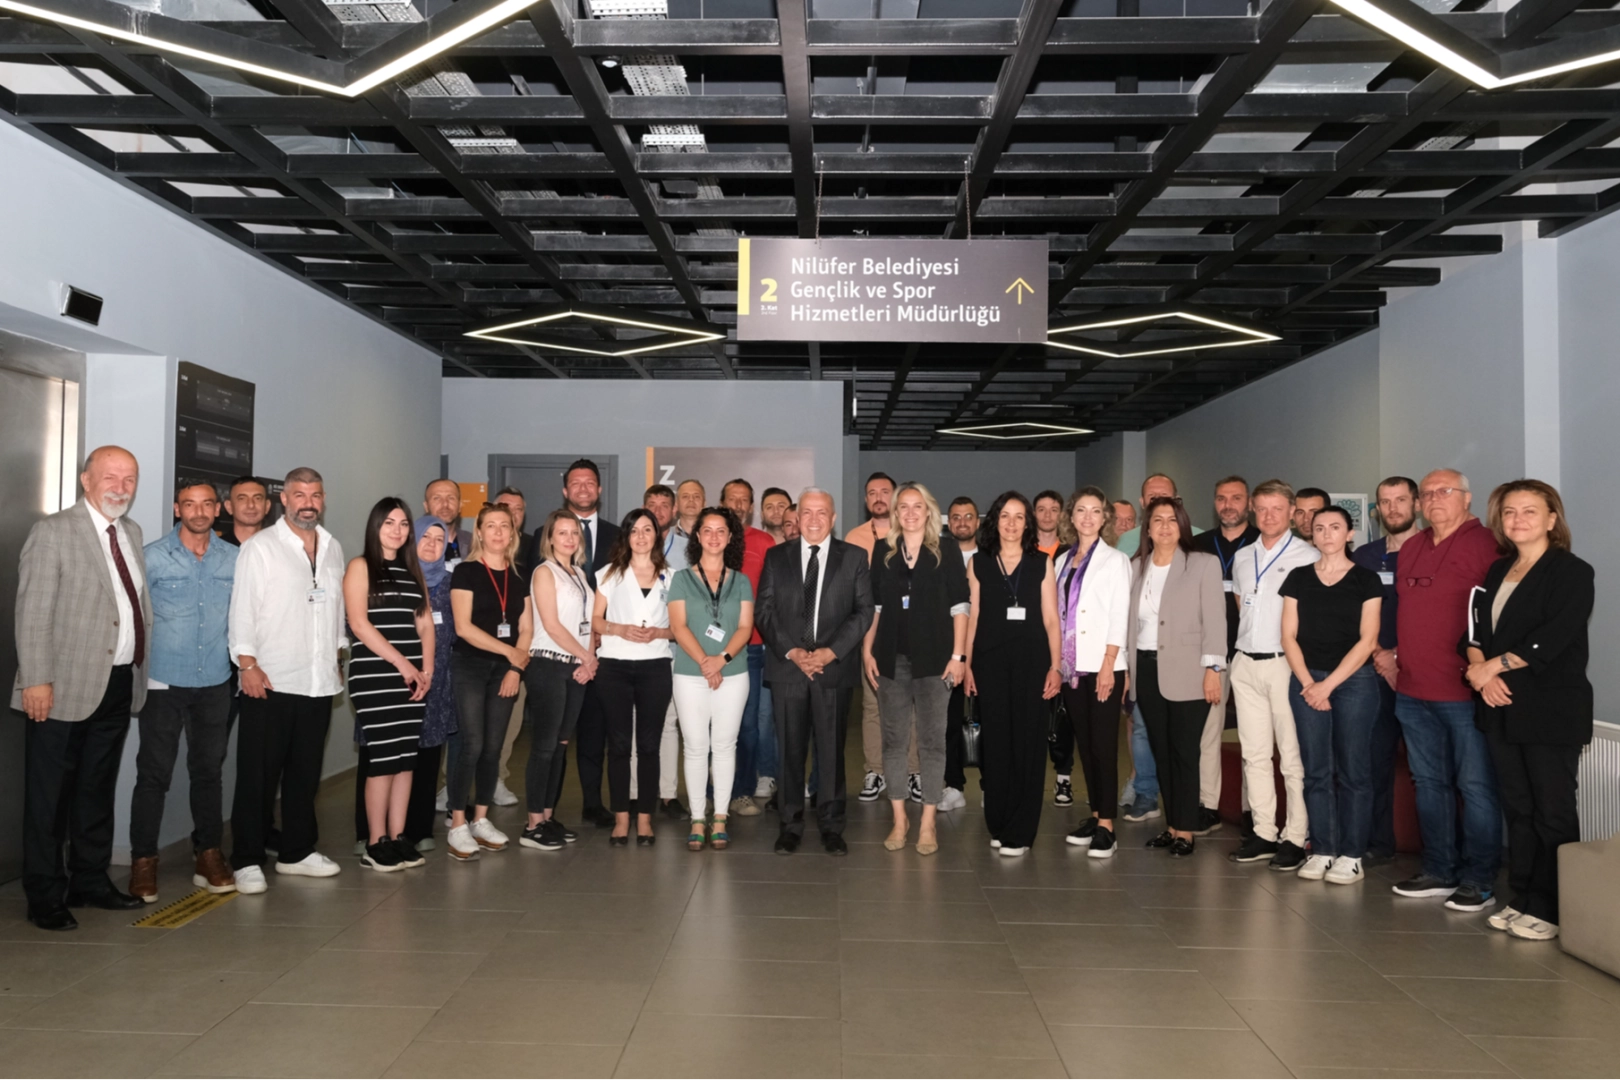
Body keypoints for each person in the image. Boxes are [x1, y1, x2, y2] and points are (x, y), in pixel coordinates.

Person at [15, 446, 151, 929]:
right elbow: (32, 611)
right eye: (110, 477)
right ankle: (44, 893)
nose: (121, 487)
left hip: (118, 681)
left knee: (96, 788)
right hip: (60, 686)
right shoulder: (53, 531)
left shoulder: (131, 532)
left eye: (129, 479)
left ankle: (90, 880)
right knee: (49, 798)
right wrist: (36, 679)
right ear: (86, 480)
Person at [1464, 480, 1593, 941]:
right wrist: (1482, 672)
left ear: (1552, 519)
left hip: (1549, 709)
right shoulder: (1499, 570)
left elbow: (1552, 638)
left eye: (1530, 511)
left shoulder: (1571, 571)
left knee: (1551, 811)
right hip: (1500, 705)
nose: (1518, 520)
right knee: (1518, 809)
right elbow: (1474, 634)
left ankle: (1554, 908)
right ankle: (1523, 897)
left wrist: (1491, 668)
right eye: (1510, 512)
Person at [229, 467, 346, 894]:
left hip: (317, 680)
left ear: (323, 499)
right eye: (299, 494)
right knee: (257, 776)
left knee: (305, 774)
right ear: (284, 499)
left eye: (315, 495)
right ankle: (246, 858)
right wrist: (246, 665)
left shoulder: (332, 547)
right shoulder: (260, 547)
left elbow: (334, 609)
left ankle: (297, 852)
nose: (307, 503)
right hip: (270, 679)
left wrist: (336, 654)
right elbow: (242, 610)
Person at [1390, 470, 1503, 912]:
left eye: (1445, 491)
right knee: (1429, 784)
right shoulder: (1412, 546)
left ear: (1467, 498)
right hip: (1412, 690)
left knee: (1475, 787)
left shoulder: (1489, 544)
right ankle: (1439, 869)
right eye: (1427, 494)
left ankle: (1480, 879)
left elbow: (1499, 616)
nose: (1434, 499)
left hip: (1464, 691)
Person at [129, 480, 238, 904]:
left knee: (208, 772)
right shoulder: (153, 556)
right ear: (178, 509)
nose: (199, 512)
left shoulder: (234, 558)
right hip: (163, 682)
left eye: (207, 504)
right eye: (190, 504)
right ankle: (143, 861)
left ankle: (208, 854)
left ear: (217, 509)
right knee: (153, 774)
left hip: (215, 681)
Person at [756, 488, 874, 855]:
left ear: (833, 519)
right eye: (807, 512)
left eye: (822, 512)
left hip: (833, 670)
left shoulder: (853, 557)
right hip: (788, 668)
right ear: (797, 517)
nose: (813, 519)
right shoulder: (776, 557)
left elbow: (863, 612)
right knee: (789, 752)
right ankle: (789, 826)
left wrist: (830, 652)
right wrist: (793, 652)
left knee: (832, 752)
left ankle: (832, 826)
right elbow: (764, 611)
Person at [1279, 506, 1384, 885]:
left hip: (1355, 683)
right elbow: (1288, 636)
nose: (1327, 534)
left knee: (1354, 771)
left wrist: (1328, 685)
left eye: (1335, 527)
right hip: (1306, 681)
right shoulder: (1298, 577)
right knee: (1316, 770)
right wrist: (1310, 683)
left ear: (1349, 534)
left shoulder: (1367, 580)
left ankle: (1351, 856)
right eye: (1320, 528)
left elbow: (1368, 640)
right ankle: (1323, 849)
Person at [863, 483, 969, 856]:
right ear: (895, 513)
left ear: (928, 512)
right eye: (903, 506)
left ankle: (927, 822)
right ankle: (899, 819)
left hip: (936, 661)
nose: (910, 512)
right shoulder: (883, 551)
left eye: (917, 506)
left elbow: (961, 606)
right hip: (890, 659)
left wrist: (958, 656)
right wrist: (867, 650)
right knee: (893, 742)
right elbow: (875, 607)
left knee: (931, 742)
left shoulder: (947, 550)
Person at [1127, 497, 1225, 857]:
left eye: (1172, 520)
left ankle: (1187, 829)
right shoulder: (1136, 566)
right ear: (1148, 528)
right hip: (1146, 668)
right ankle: (1172, 825)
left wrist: (1213, 670)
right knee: (1162, 750)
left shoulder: (1203, 564)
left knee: (1184, 751)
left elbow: (1215, 620)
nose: (1165, 526)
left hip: (1190, 671)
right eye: (1158, 520)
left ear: (1182, 525)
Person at [1227, 480, 1318, 869]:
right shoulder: (1242, 556)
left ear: (1292, 512)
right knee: (1255, 754)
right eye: (1262, 508)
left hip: (1285, 664)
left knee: (1292, 757)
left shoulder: (1308, 555)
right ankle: (1264, 832)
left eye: (1277, 508)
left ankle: (1296, 836)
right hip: (1245, 662)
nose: (1268, 516)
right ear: (1252, 509)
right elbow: (1241, 604)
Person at [966, 491, 1062, 858]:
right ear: (995, 520)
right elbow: (973, 617)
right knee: (996, 744)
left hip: (1032, 664)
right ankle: (999, 821)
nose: (1011, 523)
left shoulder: (1042, 563)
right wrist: (968, 665)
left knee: (1028, 744)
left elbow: (1051, 619)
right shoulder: (978, 562)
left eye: (1019, 516)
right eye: (1005, 515)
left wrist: (1056, 666)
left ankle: (1021, 830)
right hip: (989, 664)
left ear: (1027, 523)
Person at [343, 498, 433, 872]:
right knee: (382, 758)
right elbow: (359, 624)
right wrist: (403, 664)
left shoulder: (413, 571)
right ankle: (375, 841)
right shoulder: (361, 566)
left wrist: (426, 671)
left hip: (414, 678)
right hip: (375, 675)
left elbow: (425, 624)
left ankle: (398, 837)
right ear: (375, 526)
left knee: (406, 759)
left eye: (403, 523)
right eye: (389, 523)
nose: (397, 530)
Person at [445, 503, 532, 861]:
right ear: (479, 532)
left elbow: (527, 628)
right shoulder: (465, 572)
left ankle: (481, 819)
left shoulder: (519, 577)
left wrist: (515, 669)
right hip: (469, 666)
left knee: (494, 747)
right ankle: (457, 823)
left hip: (505, 672)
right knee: (472, 744)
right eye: (490, 525)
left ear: (513, 534)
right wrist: (510, 653)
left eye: (504, 526)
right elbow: (463, 627)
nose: (498, 532)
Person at [668, 507, 755, 851]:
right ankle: (697, 818)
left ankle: (719, 817)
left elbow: (745, 627)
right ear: (698, 536)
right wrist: (706, 662)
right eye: (708, 530)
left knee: (724, 746)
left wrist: (721, 660)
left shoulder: (741, 580)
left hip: (733, 673)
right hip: (690, 673)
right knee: (694, 746)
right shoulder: (680, 579)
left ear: (730, 537)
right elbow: (678, 626)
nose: (714, 536)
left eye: (721, 531)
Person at [1051, 487, 1131, 858]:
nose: (1087, 517)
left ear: (1105, 518)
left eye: (1095, 511)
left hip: (1102, 666)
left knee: (1103, 746)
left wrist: (1109, 664)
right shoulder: (1061, 560)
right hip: (1072, 667)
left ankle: (1107, 826)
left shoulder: (1116, 560)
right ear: (1071, 517)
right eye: (1081, 510)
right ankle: (1097, 813)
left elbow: (1119, 614)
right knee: (1085, 744)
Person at [1349, 476, 1421, 865]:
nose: (1393, 508)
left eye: (1400, 500)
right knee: (1374, 763)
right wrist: (1380, 654)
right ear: (1377, 510)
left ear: (1417, 505)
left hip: (1422, 675)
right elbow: (1353, 613)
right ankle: (1378, 842)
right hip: (1374, 676)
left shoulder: (1432, 551)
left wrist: (1399, 656)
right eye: (1385, 502)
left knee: (1431, 769)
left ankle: (1441, 854)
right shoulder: (1365, 556)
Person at [592, 508, 673, 846]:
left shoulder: (672, 576)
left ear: (657, 535)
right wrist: (619, 629)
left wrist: (659, 632)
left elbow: (681, 628)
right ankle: (621, 818)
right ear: (625, 536)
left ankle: (645, 819)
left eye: (647, 529)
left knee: (650, 746)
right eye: (634, 530)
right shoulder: (609, 573)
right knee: (620, 745)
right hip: (614, 666)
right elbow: (595, 620)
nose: (641, 536)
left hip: (656, 666)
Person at [521, 509, 596, 851]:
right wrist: (586, 656)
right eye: (562, 532)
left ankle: (548, 816)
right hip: (548, 664)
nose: (569, 538)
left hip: (576, 668)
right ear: (549, 538)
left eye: (574, 533)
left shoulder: (579, 573)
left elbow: (588, 624)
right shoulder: (544, 572)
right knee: (544, 746)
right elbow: (551, 625)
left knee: (561, 746)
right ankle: (533, 823)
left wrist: (589, 659)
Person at [553, 459, 620, 830]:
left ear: (599, 489)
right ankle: (545, 809)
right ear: (565, 490)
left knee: (595, 732)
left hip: (605, 650)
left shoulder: (617, 535)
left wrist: (600, 634)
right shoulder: (546, 535)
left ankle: (593, 804)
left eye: (590, 482)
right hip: (559, 650)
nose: (583, 488)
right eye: (575, 483)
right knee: (555, 735)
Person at [1189, 476, 1259, 832]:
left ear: (1249, 503)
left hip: (1250, 651)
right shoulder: (1197, 545)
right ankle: (1208, 805)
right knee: (1208, 732)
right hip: (1209, 655)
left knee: (1253, 734)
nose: (1228, 505)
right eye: (1221, 498)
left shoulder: (1262, 542)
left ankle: (1253, 810)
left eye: (1236, 498)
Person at [845, 472, 918, 805]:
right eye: (872, 492)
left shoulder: (913, 532)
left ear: (895, 496)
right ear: (866, 500)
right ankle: (875, 771)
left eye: (884, 491)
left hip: (910, 631)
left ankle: (914, 772)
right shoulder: (854, 537)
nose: (878, 497)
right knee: (873, 706)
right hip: (871, 631)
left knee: (911, 705)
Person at [721, 479, 777, 817]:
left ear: (752, 507)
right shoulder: (712, 538)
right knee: (713, 726)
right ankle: (712, 792)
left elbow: (771, 595)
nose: (739, 505)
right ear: (722, 503)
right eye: (733, 499)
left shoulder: (764, 542)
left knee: (748, 725)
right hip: (711, 650)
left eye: (745, 500)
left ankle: (741, 791)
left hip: (753, 647)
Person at [401, 517, 455, 851]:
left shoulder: (450, 582)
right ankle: (378, 832)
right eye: (426, 537)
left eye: (439, 539)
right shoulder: (397, 575)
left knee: (429, 754)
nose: (432, 544)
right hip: (397, 676)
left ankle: (420, 829)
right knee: (395, 755)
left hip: (439, 679)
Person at [636, 482, 686, 818]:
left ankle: (668, 794)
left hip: (675, 649)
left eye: (664, 504)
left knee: (669, 723)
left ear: (674, 510)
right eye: (651, 504)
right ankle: (635, 794)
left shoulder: (689, 548)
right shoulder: (630, 546)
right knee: (636, 724)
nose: (658, 510)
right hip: (635, 650)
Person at [941, 496, 980, 811]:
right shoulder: (938, 556)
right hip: (950, 652)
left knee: (988, 720)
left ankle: (991, 785)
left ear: (977, 522)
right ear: (948, 523)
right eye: (956, 517)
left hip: (984, 650)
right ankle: (953, 785)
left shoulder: (991, 557)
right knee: (949, 722)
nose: (962, 522)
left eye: (968, 516)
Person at [490, 485, 528, 809]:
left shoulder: (532, 552)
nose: (511, 515)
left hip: (518, 652)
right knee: (470, 727)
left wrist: (518, 658)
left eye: (517, 510)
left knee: (510, 721)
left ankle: (497, 778)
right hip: (476, 654)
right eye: (504, 507)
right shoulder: (474, 555)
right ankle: (451, 785)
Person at [423, 478, 472, 564]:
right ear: (426, 506)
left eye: (451, 498)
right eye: (437, 498)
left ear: (460, 506)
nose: (445, 504)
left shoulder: (474, 543)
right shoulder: (413, 544)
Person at [217, 475, 270, 546]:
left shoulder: (278, 548)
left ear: (267, 506)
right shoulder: (216, 550)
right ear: (229, 507)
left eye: (257, 498)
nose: (251, 505)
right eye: (242, 499)